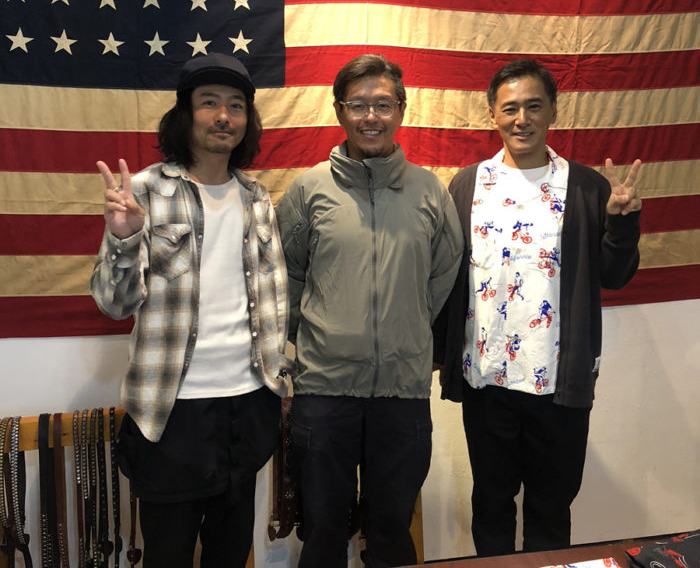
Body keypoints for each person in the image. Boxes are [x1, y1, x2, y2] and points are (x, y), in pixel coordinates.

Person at [90, 53, 292, 568]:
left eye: (236, 105)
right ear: (186, 114)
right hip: (172, 412)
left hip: (248, 405)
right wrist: (124, 239)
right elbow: (114, 304)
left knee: (231, 553)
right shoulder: (144, 192)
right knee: (169, 555)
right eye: (209, 103)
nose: (224, 116)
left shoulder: (257, 198)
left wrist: (279, 377)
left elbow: (273, 299)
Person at [434, 58, 642, 556]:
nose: (521, 119)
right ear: (492, 114)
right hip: (487, 381)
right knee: (491, 507)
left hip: (557, 386)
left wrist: (622, 224)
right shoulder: (467, 185)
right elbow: (448, 276)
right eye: (510, 109)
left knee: (550, 513)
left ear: (553, 111)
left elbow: (614, 276)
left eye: (533, 106)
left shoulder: (587, 187)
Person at [275, 53, 463, 568]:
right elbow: (284, 277)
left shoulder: (429, 191)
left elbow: (443, 276)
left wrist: (406, 327)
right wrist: (320, 336)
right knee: (322, 533)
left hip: (402, 394)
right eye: (358, 105)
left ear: (402, 109)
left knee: (391, 532)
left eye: (383, 104)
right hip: (324, 392)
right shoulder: (308, 190)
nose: (371, 116)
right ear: (340, 111)